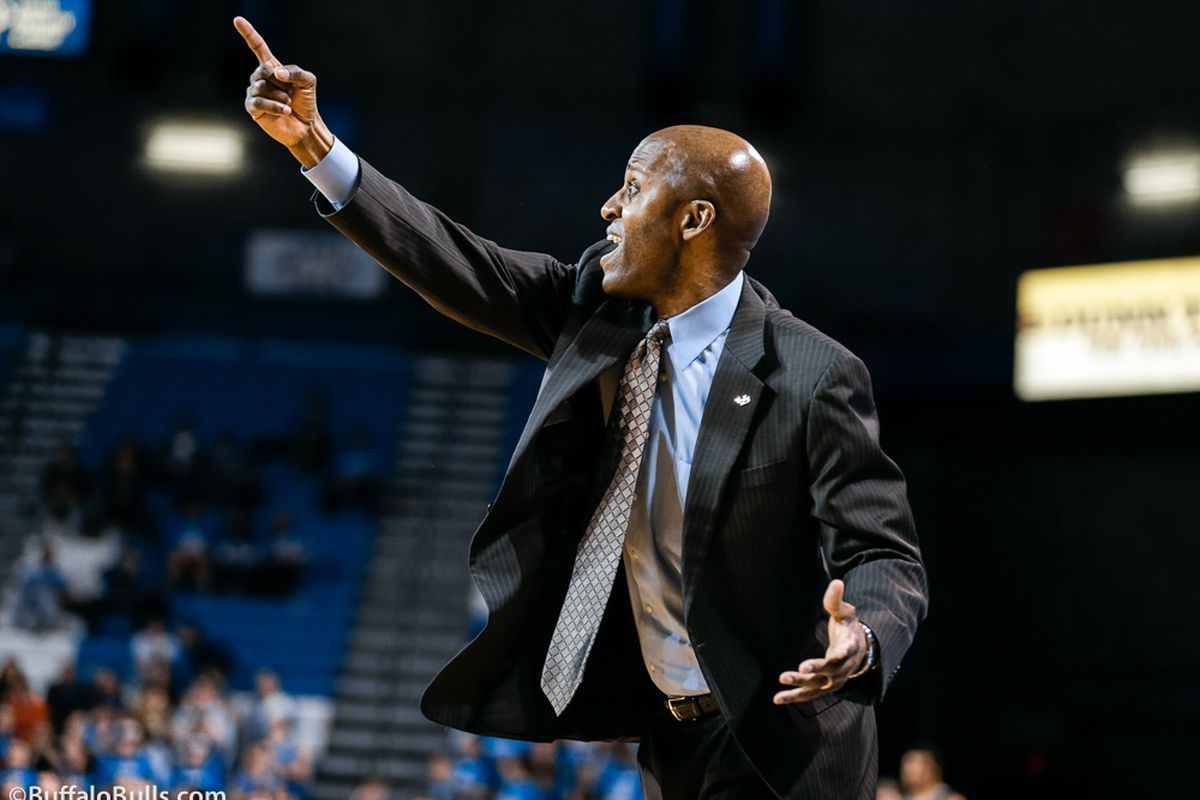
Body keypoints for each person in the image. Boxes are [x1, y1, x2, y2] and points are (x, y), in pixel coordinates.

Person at [234, 16, 928, 799]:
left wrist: (862, 637)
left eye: (632, 189)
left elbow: (883, 553)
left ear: (694, 220)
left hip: (785, 741)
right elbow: (466, 266)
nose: (608, 208)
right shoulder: (596, 305)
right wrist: (318, 151)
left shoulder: (812, 372)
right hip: (667, 729)